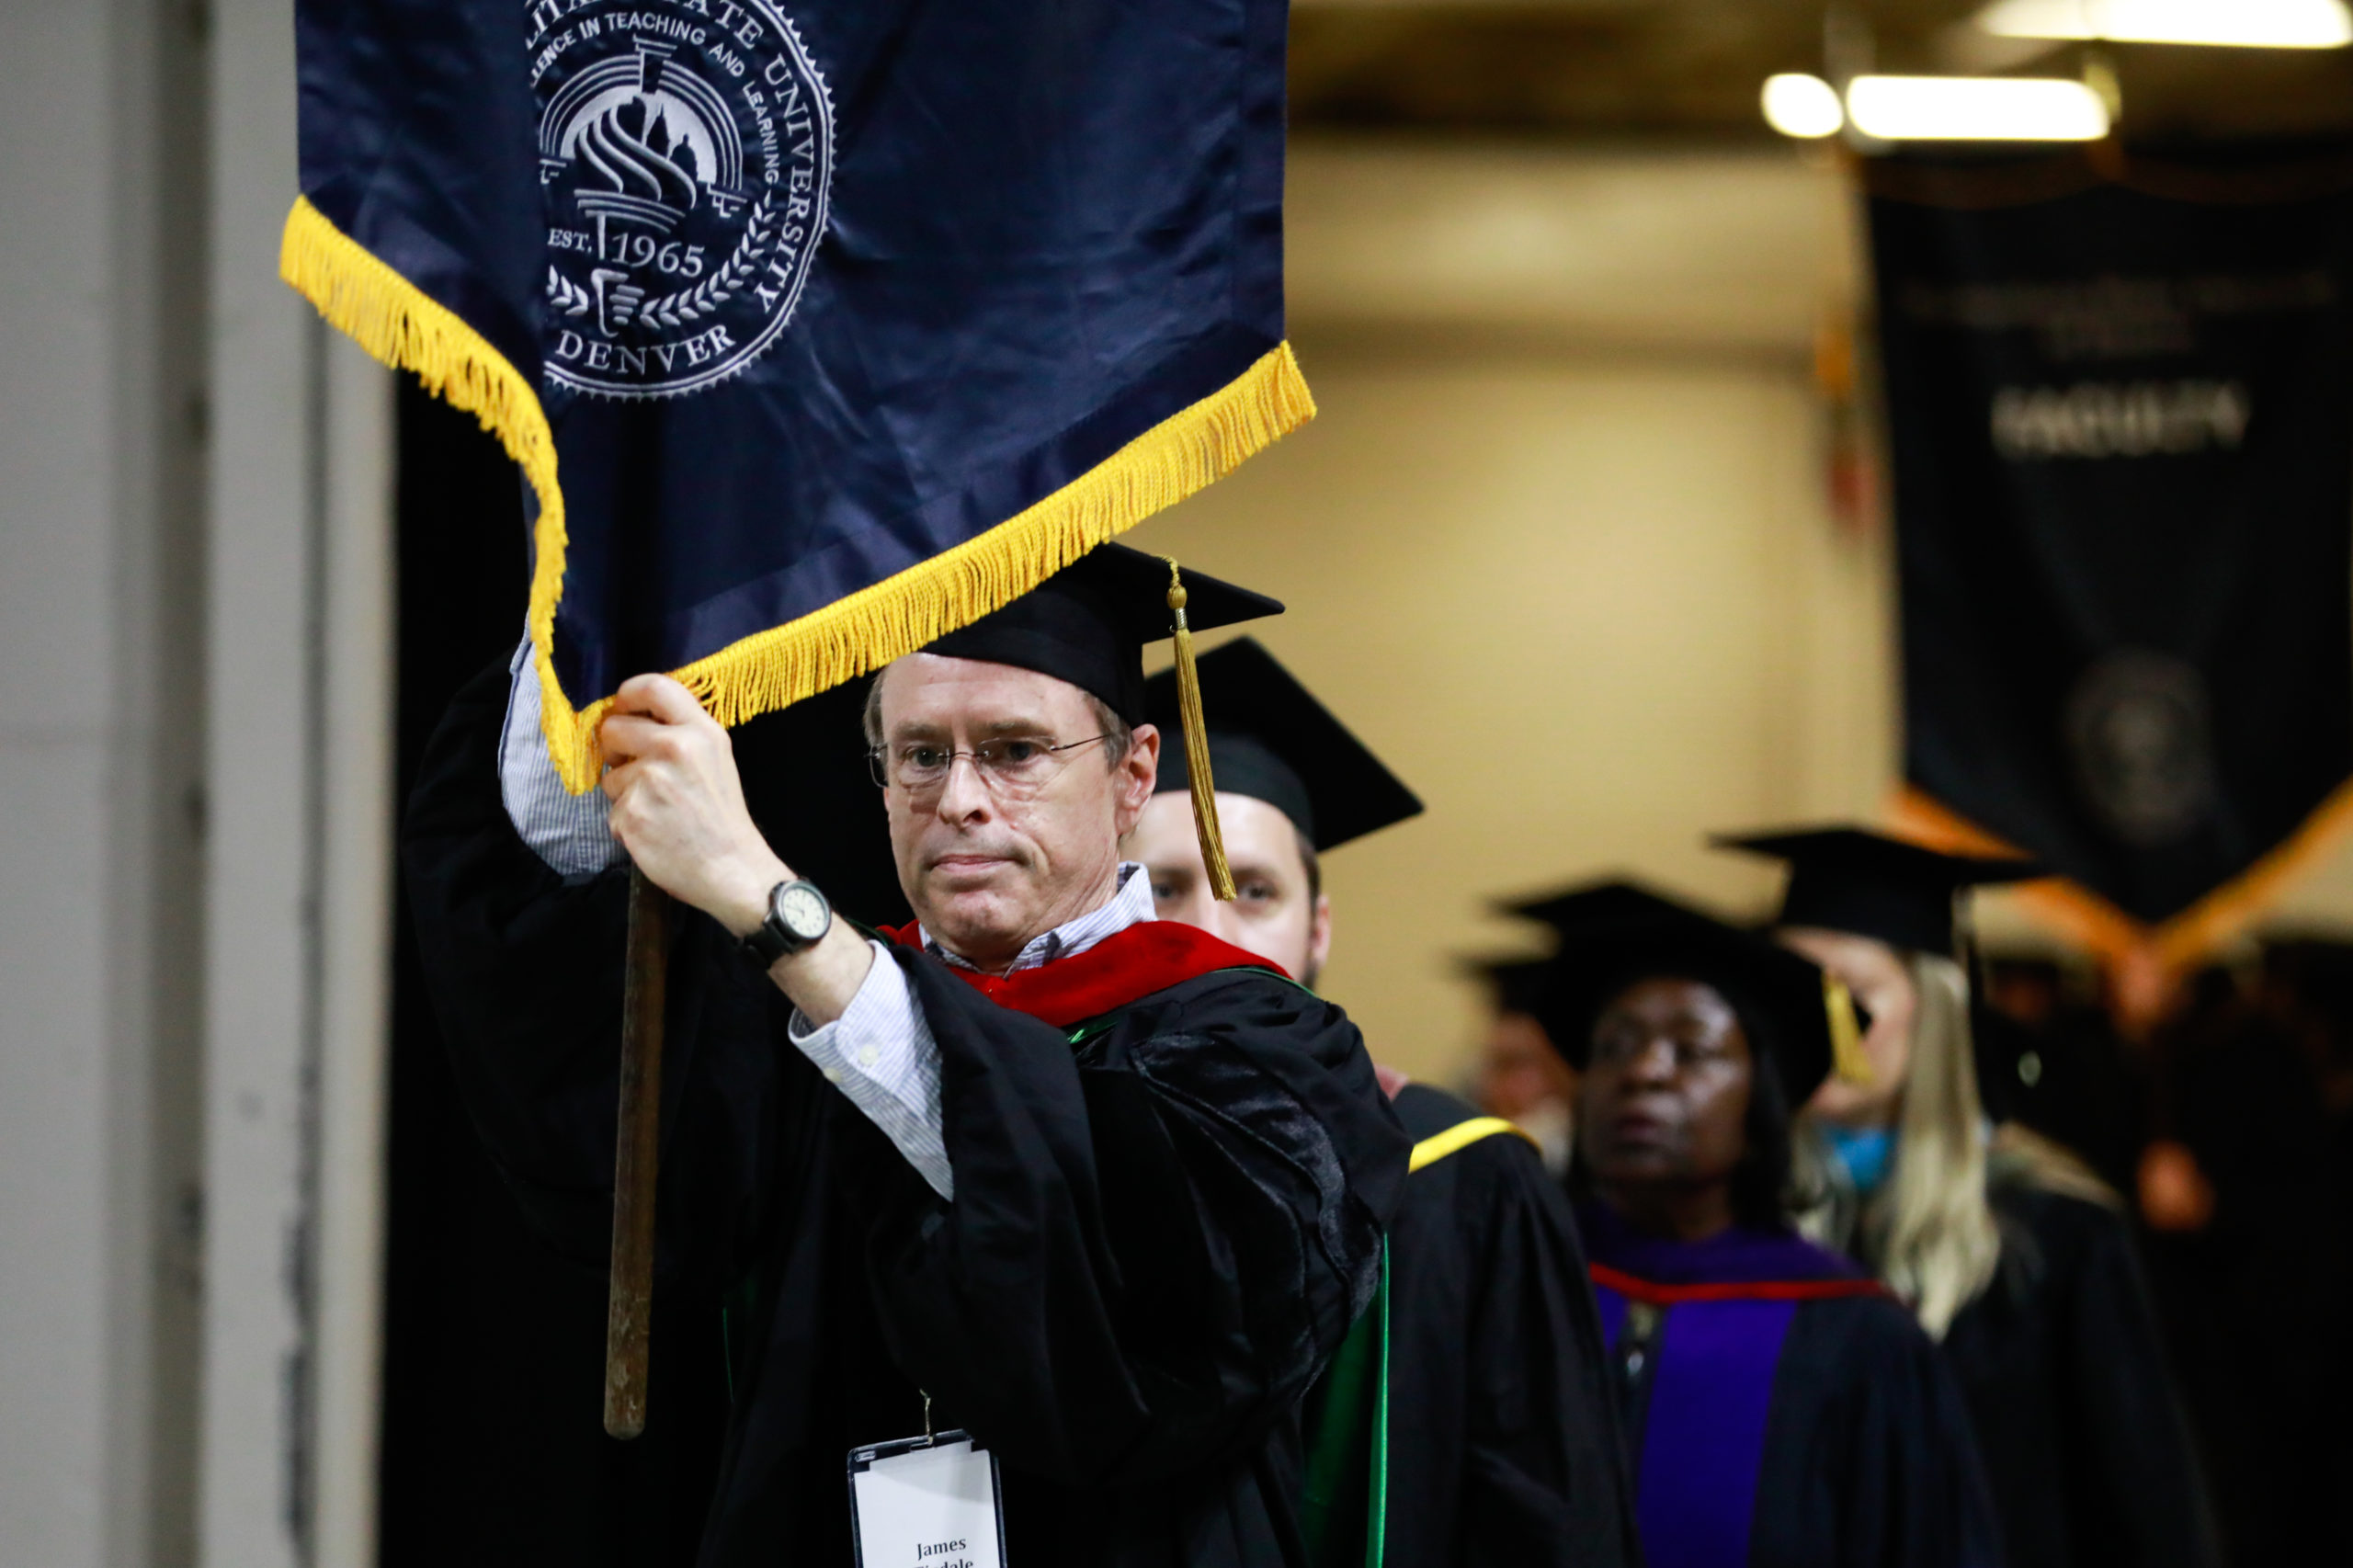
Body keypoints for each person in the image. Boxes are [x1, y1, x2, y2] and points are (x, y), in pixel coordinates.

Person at [403, 543, 1411, 1568]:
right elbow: (594, 1110)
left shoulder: (1267, 1055)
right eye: (922, 754)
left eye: (1015, 750)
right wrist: (599, 617)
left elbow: (1153, 1326)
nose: (961, 798)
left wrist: (767, 897)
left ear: (1131, 773)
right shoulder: (794, 1026)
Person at [1124, 637, 1640, 1568]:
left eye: (1255, 889)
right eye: (1160, 886)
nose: (1205, 928)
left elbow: (1551, 1523)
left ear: (1316, 929)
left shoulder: (1465, 1171)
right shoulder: (1048, 1152)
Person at [1717, 826, 2220, 1568]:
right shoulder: (1737, 1214)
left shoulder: (2055, 1232)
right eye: (1792, 987)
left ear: (1934, 1009)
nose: (1820, 1021)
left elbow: (2146, 1506)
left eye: (1853, 993)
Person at [1531, 880, 2001, 1568]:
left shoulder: (1858, 1338)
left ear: (1762, 1108)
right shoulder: (1523, 1289)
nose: (1642, 1073)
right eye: (1611, 1048)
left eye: (1692, 1051)